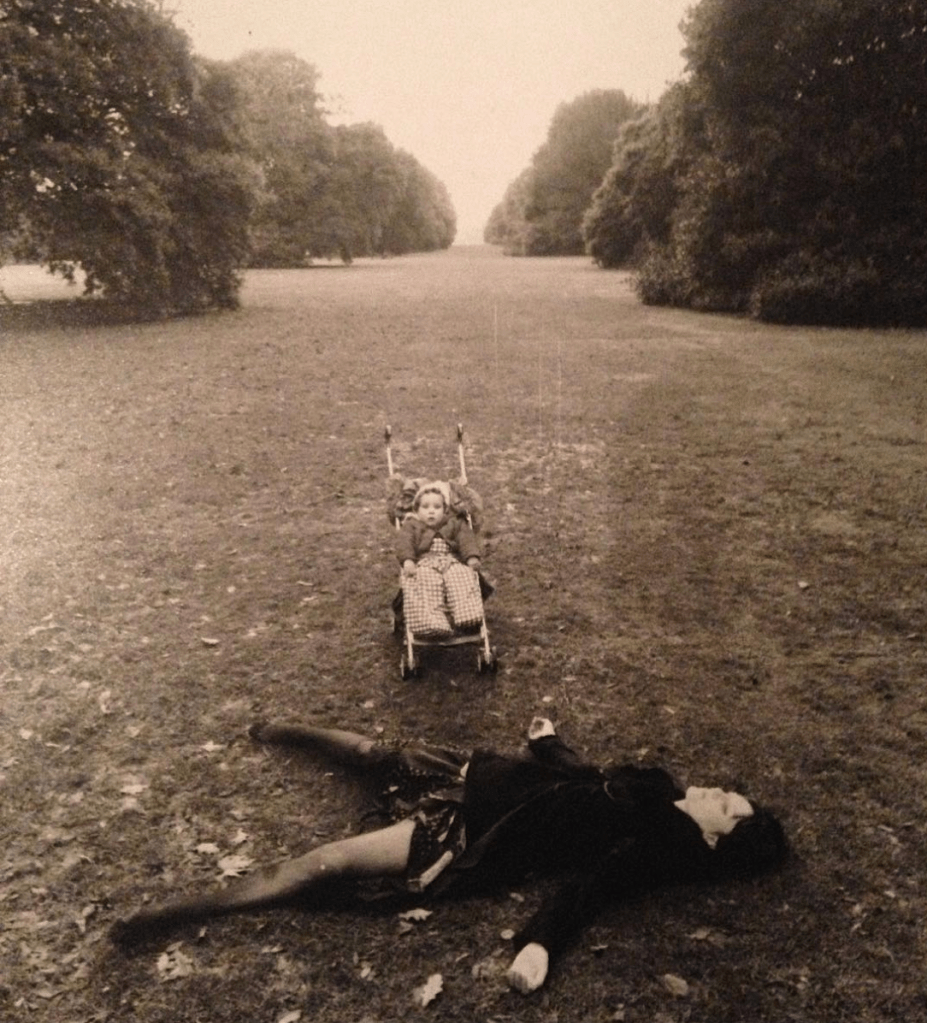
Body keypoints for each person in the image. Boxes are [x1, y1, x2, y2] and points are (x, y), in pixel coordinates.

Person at [110, 717, 788, 994]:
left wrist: (539, 946)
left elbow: (589, 889)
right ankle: (287, 727)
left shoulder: (648, 846)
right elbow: (582, 773)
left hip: (460, 830)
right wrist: (549, 740)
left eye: (726, 806)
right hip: (477, 772)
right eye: (730, 791)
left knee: (325, 863)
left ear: (711, 839)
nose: (720, 790)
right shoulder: (662, 786)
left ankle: (169, 911)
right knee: (375, 755)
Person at [395, 480, 483, 638]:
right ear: (416, 510)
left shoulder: (454, 523)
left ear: (445, 510)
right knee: (424, 581)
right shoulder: (412, 525)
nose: (431, 512)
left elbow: (466, 540)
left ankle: (467, 615)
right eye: (425, 507)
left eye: (437, 507)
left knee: (462, 577)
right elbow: (404, 544)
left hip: (451, 561)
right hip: (424, 563)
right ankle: (431, 622)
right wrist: (408, 560)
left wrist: (471, 557)